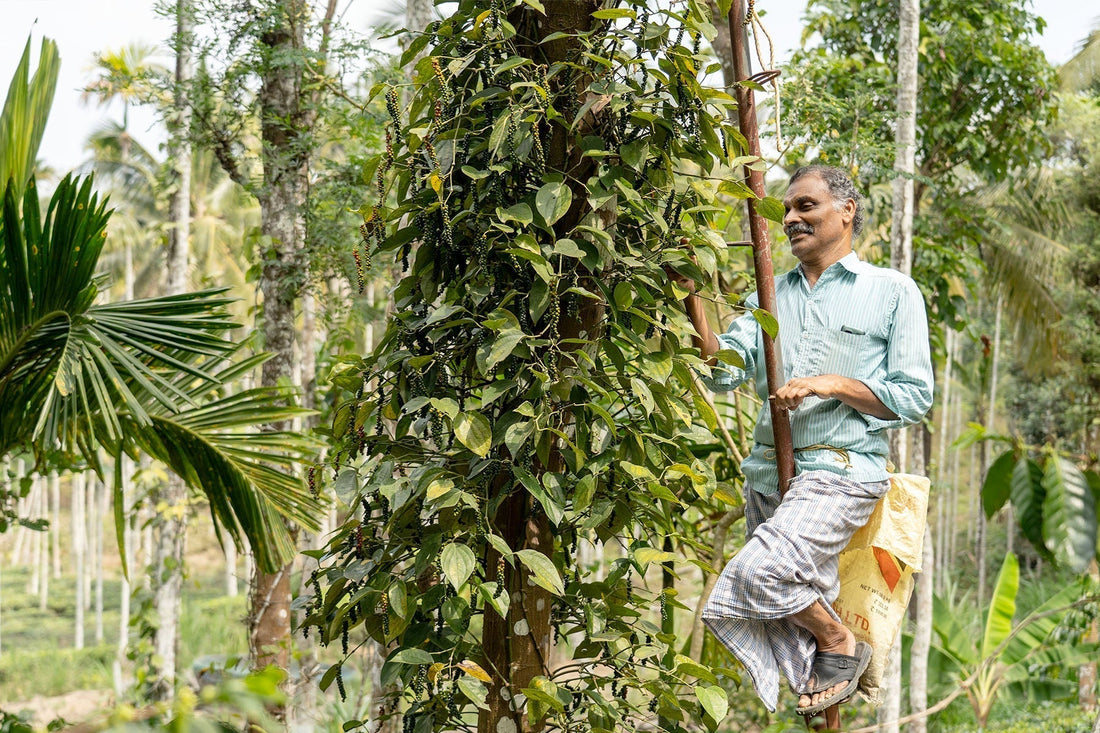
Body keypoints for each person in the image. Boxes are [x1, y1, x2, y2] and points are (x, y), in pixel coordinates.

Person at [671, 165, 933, 722]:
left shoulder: (891, 292)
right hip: (768, 477)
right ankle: (826, 678)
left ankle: (842, 640)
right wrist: (689, 294)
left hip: (839, 472)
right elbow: (722, 371)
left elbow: (913, 397)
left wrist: (831, 384)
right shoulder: (768, 296)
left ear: (847, 211)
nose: (791, 218)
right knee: (793, 643)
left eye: (806, 206)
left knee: (760, 576)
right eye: (787, 210)